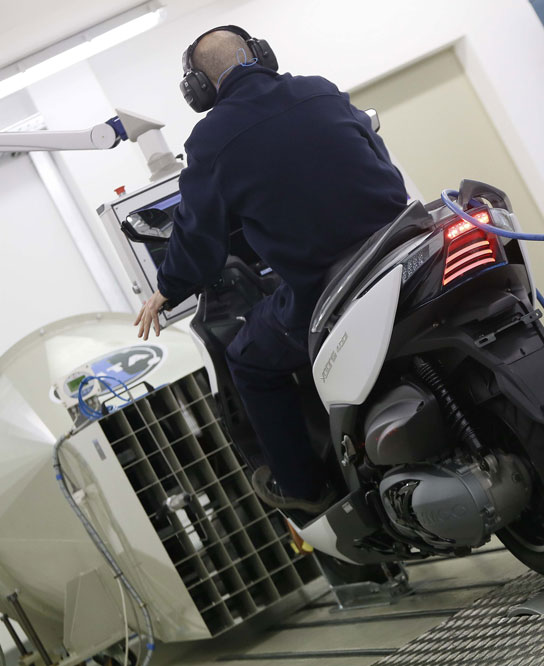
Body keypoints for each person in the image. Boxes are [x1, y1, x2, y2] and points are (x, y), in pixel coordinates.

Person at [134, 26, 408, 516]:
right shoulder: (320, 89)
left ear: (198, 89)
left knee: (248, 359)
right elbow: (378, 161)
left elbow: (198, 238)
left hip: (326, 286)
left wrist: (167, 289)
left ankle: (303, 486)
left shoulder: (211, 141)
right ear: (261, 55)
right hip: (403, 248)